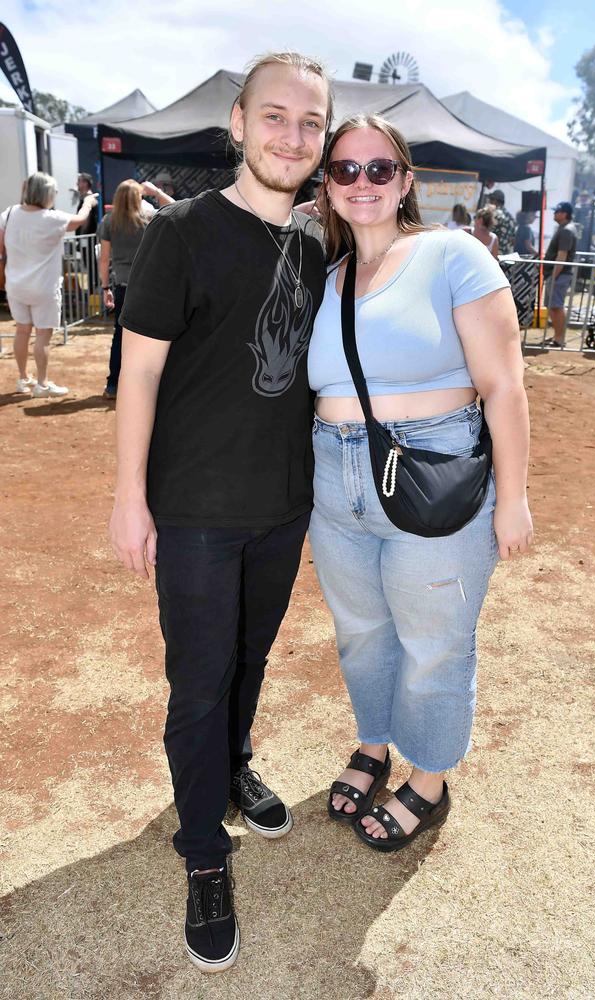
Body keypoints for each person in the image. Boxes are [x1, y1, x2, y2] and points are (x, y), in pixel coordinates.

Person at [109, 51, 331, 972]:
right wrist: (129, 495)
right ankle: (204, 850)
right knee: (197, 680)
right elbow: (142, 370)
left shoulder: (321, 243)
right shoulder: (185, 233)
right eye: (274, 116)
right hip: (195, 509)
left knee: (249, 655)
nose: (293, 136)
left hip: (285, 505)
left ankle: (234, 765)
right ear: (237, 124)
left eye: (310, 124)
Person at [307, 114, 533, 853]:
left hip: (433, 470)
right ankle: (373, 742)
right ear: (329, 184)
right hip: (332, 478)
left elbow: (504, 386)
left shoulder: (453, 254)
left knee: (435, 641)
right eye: (346, 170)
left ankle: (428, 778)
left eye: (379, 169)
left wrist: (516, 498)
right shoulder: (329, 276)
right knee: (362, 633)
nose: (362, 183)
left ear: (405, 180)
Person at [0, 171, 97, 397]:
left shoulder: (10, 213)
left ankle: (23, 378)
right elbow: (80, 221)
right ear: (46, 194)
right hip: (44, 287)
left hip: (16, 284)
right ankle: (42, 384)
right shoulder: (53, 219)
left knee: (22, 331)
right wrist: (88, 203)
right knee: (43, 335)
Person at [97, 180, 174, 399]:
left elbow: (104, 259)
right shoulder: (148, 218)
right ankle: (150, 386)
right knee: (153, 337)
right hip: (149, 285)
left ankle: (113, 385)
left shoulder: (109, 221)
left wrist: (105, 287)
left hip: (122, 285)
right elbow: (177, 207)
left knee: (120, 336)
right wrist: (157, 192)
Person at [543, 201, 578, 349]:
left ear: (564, 214)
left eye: (557, 211)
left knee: (556, 307)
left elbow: (562, 255)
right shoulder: (565, 228)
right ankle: (558, 336)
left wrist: (554, 276)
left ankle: (559, 338)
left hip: (559, 274)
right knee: (553, 306)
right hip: (558, 273)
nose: (554, 214)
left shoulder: (566, 230)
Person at [486, 189, 516, 253]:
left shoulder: (494, 214)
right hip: (507, 256)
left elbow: (486, 233)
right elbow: (513, 240)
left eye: (491, 200)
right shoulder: (511, 217)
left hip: (494, 254)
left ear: (495, 201)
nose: (489, 202)